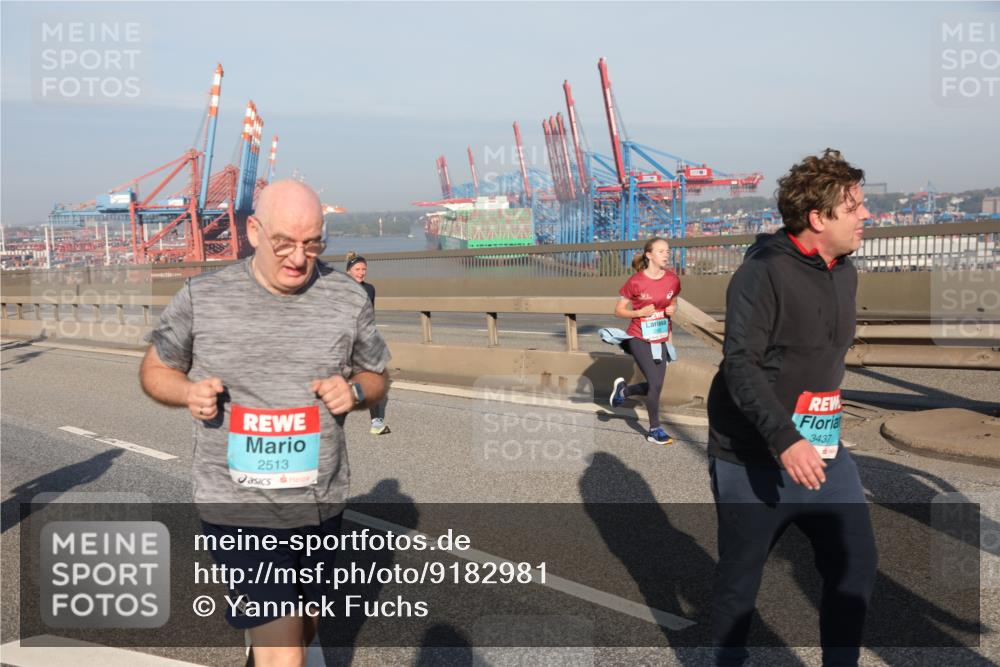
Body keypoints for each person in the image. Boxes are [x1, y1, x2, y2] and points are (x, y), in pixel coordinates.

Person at [139, 180, 390, 667]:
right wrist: (187, 391)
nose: (299, 257)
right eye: (285, 243)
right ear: (253, 231)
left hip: (321, 500)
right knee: (285, 654)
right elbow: (155, 370)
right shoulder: (202, 297)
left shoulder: (347, 298)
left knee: (303, 625)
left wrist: (357, 391)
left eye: (312, 243)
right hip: (239, 505)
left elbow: (378, 373)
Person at [706, 149, 878, 666]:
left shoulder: (845, 271)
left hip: (824, 452)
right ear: (818, 218)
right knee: (740, 587)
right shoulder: (763, 273)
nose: (867, 216)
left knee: (856, 565)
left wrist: (811, 435)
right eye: (854, 209)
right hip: (753, 455)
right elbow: (740, 364)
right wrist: (784, 438)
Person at [609, 236, 681, 445]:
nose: (666, 254)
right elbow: (618, 311)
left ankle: (625, 391)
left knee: (655, 385)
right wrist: (639, 311)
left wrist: (672, 309)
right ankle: (654, 429)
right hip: (639, 337)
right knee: (656, 383)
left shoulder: (673, 279)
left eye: (668, 251)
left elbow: (674, 301)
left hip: (661, 338)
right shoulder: (636, 281)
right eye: (661, 251)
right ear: (649, 255)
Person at [345, 251, 390, 435]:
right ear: (348, 271)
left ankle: (376, 423)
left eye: (364, 269)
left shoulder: (370, 289)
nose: (361, 272)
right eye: (357, 269)